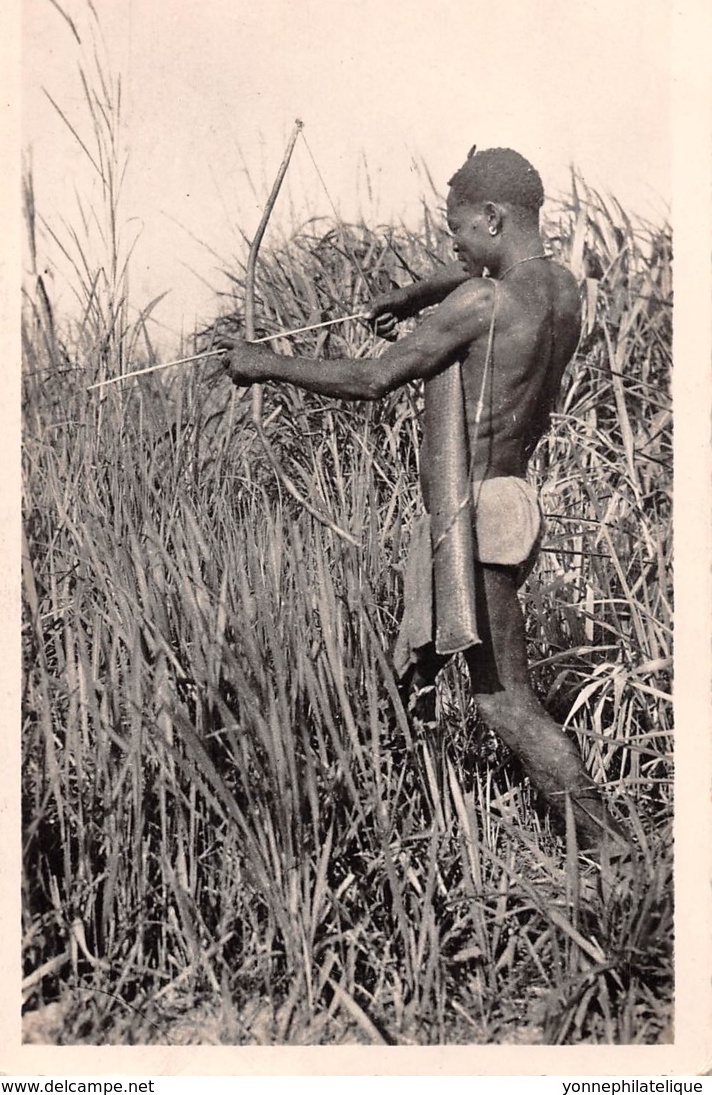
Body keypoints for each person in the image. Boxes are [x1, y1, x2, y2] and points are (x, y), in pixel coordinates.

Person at [221, 147, 628, 851]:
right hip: (507, 502)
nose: (453, 244)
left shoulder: (480, 303)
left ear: (492, 217)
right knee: (409, 667)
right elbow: (478, 278)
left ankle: (607, 841)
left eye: (459, 230)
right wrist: (413, 297)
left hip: (473, 516)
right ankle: (381, 816)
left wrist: (264, 363)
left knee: (502, 699)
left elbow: (374, 378)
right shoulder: (559, 288)